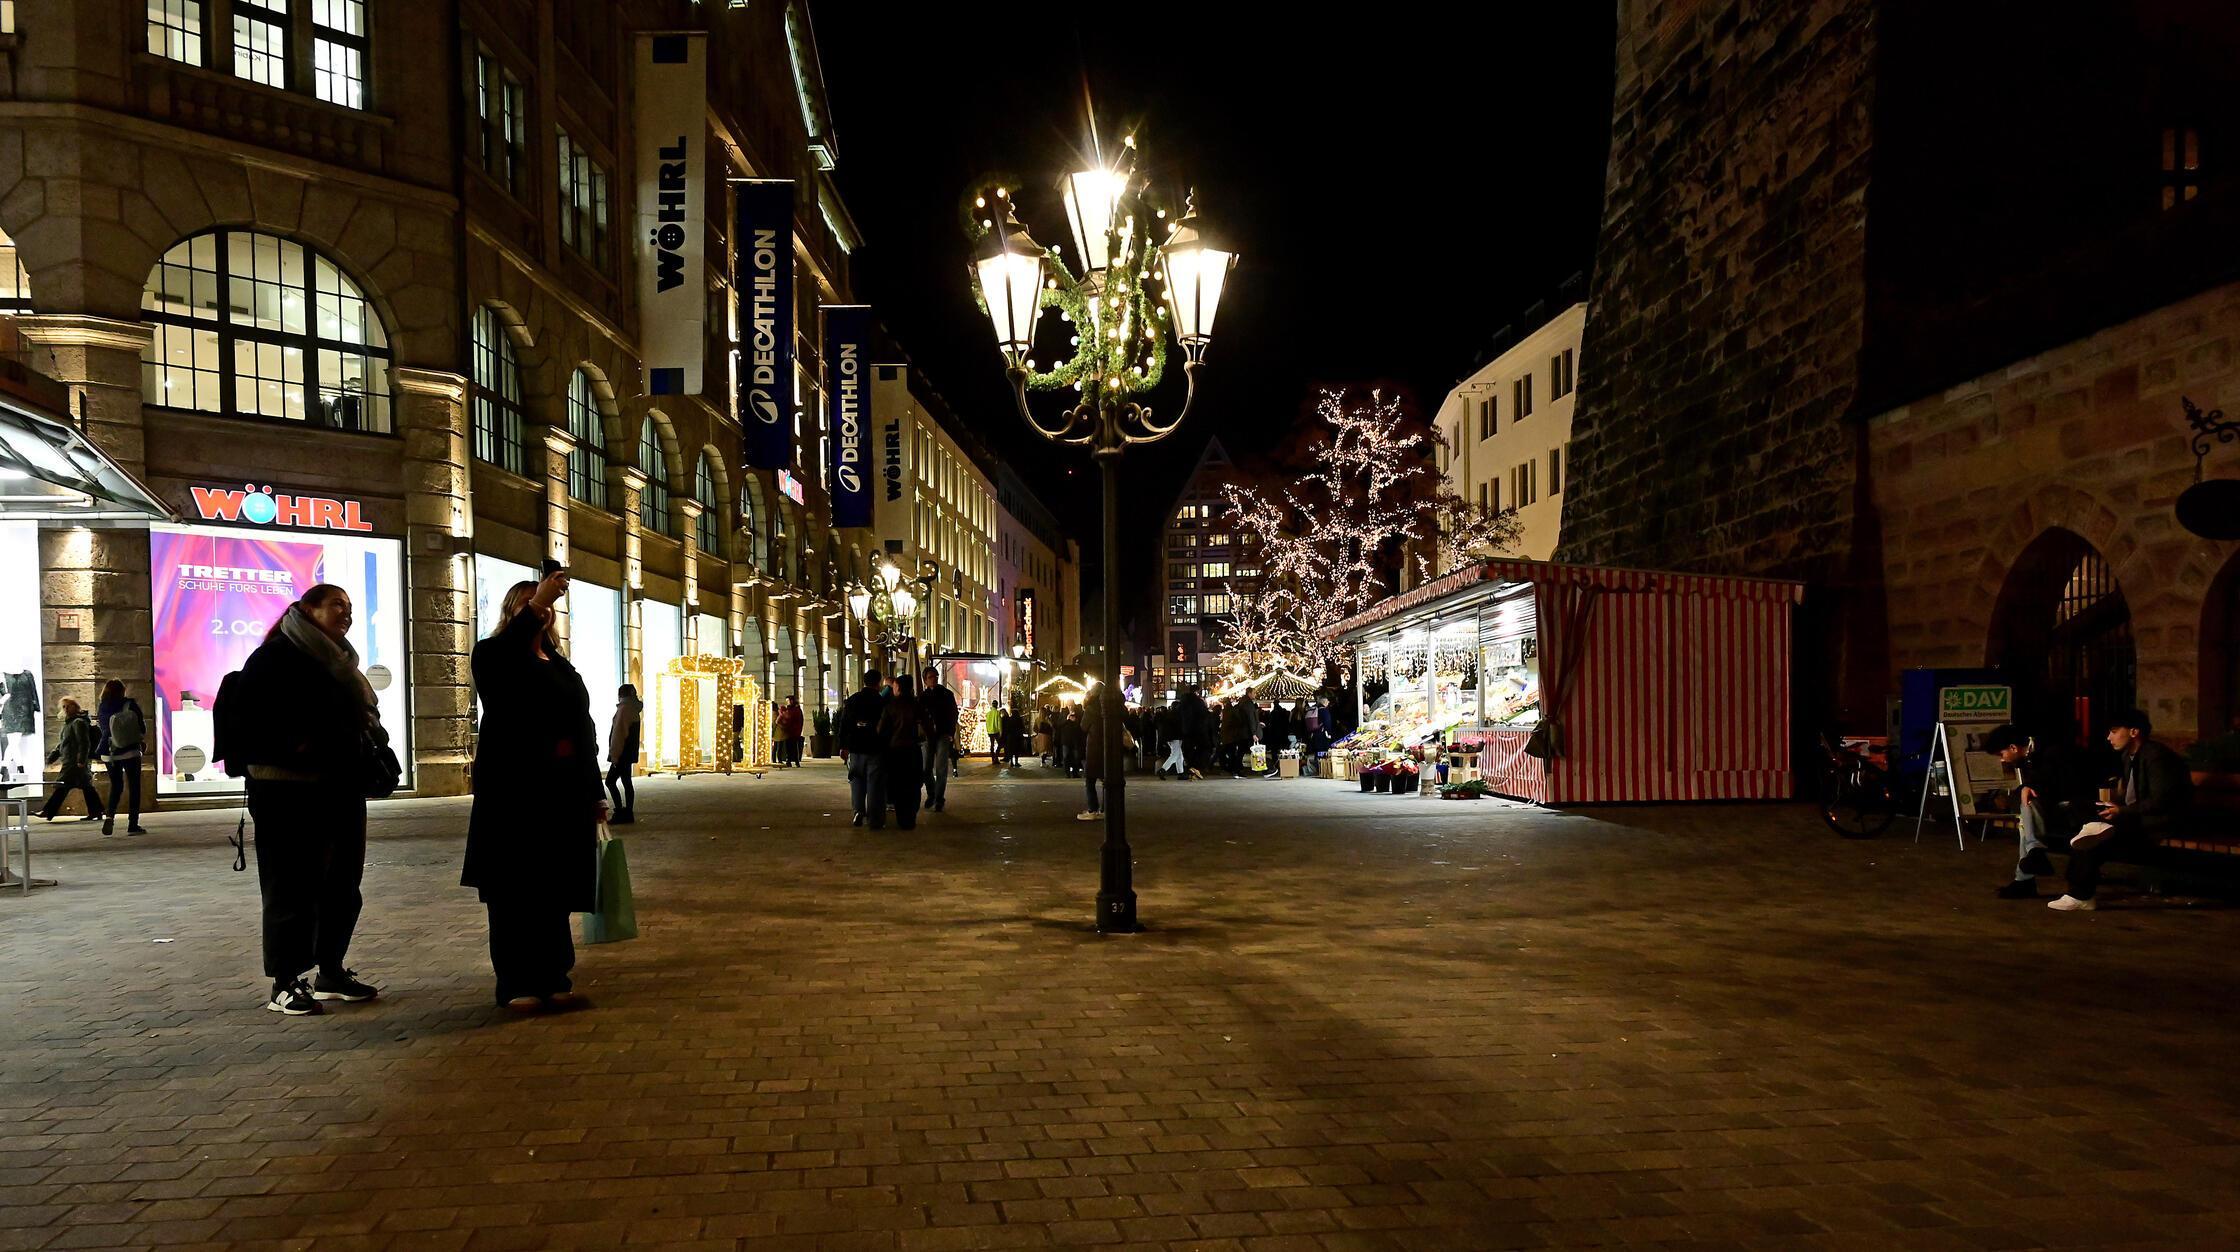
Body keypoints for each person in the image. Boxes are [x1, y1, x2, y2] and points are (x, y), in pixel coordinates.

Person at [224, 584, 386, 1016]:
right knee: (291, 886)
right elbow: (257, 725)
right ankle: (285, 980)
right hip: (287, 790)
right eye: (336, 604)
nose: (346, 613)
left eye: (350, 607)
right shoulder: (276, 657)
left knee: (342, 885)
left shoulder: (340, 661)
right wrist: (303, 743)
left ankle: (330, 969)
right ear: (307, 609)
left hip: (340, 785)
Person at [463, 572, 603, 1010]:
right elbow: (508, 682)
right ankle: (517, 983)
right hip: (514, 797)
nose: (541, 613)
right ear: (514, 614)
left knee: (554, 890)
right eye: (530, 606)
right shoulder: (493, 656)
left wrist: (595, 790)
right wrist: (537, 602)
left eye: (545, 606)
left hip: (562, 797)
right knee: (515, 891)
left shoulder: (560, 665)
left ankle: (554, 975)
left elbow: (583, 729)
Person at [2048, 709, 2193, 912]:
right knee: (2080, 812)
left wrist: (2122, 811)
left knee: (2095, 839)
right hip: (2137, 816)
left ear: (2134, 732)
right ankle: (2080, 888)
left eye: (2114, 731)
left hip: (2160, 821)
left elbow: (2160, 801)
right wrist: (2114, 805)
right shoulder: (2129, 756)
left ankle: (2081, 894)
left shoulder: (2156, 756)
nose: (2109, 737)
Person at [1985, 723, 2089, 899]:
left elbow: (2060, 786)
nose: (2002, 760)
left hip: (2074, 806)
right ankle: (2033, 854)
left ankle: (2028, 870)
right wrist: (2027, 788)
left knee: (2028, 808)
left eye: (2001, 754)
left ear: (2013, 747)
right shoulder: (2031, 757)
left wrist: (2029, 788)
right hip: (2050, 806)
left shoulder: (2051, 753)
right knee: (2027, 811)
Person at [95, 680, 148, 836]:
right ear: (122, 691)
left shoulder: (102, 706)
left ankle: (110, 816)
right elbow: (142, 727)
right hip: (130, 750)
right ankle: (133, 824)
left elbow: (102, 727)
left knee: (116, 785)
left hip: (109, 750)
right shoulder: (130, 704)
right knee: (134, 786)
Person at [38, 696, 103, 825]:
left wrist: (81, 760)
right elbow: (63, 744)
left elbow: (84, 742)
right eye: (64, 707)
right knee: (86, 786)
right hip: (71, 760)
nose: (66, 709)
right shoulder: (69, 723)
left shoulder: (78, 722)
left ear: (76, 707)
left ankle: (48, 811)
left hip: (74, 762)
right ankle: (96, 811)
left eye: (69, 706)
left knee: (62, 785)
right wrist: (53, 756)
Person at [875, 674, 929, 830]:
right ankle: (910, 816)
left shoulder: (890, 706)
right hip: (913, 750)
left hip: (895, 751)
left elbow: (881, 730)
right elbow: (928, 728)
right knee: (913, 784)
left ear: (898, 688)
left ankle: (901, 817)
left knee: (898, 784)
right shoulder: (917, 705)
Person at [839, 669, 888, 827]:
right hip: (875, 747)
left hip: (855, 746)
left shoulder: (853, 699)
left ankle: (858, 811)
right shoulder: (881, 701)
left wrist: (843, 746)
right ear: (878, 683)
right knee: (874, 783)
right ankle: (875, 819)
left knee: (857, 780)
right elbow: (886, 725)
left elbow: (844, 724)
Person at [919, 667, 959, 812]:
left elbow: (954, 713)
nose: (934, 679)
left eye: (935, 676)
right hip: (928, 736)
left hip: (942, 735)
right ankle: (932, 793)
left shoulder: (946, 694)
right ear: (925, 680)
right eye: (931, 677)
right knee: (926, 768)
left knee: (941, 768)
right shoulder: (922, 697)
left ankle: (939, 798)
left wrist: (950, 732)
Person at [606, 684, 641, 823]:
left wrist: (614, 755)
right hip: (628, 753)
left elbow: (618, 735)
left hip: (621, 753)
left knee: (610, 781)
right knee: (627, 781)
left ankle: (620, 812)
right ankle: (628, 812)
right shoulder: (634, 708)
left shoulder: (624, 710)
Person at [1079, 686, 1109, 821]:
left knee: (1090, 781)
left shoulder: (1090, 708)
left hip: (1094, 747)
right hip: (1108, 747)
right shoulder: (1109, 706)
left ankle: (1093, 809)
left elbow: (1083, 726)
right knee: (1107, 780)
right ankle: (1106, 809)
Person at [775, 693, 805, 769]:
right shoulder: (791, 709)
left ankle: (795, 761)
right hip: (789, 730)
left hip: (793, 731)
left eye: (788, 701)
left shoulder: (795, 710)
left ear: (792, 701)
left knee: (793, 746)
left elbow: (792, 719)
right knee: (789, 746)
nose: (787, 702)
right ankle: (790, 761)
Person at [984, 701, 1004, 766]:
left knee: (992, 745)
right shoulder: (997, 713)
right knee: (1000, 744)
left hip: (990, 731)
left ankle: (993, 758)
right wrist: (1000, 732)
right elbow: (999, 723)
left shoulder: (988, 713)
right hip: (996, 731)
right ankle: (996, 758)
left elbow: (986, 723)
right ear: (996, 705)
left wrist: (988, 730)